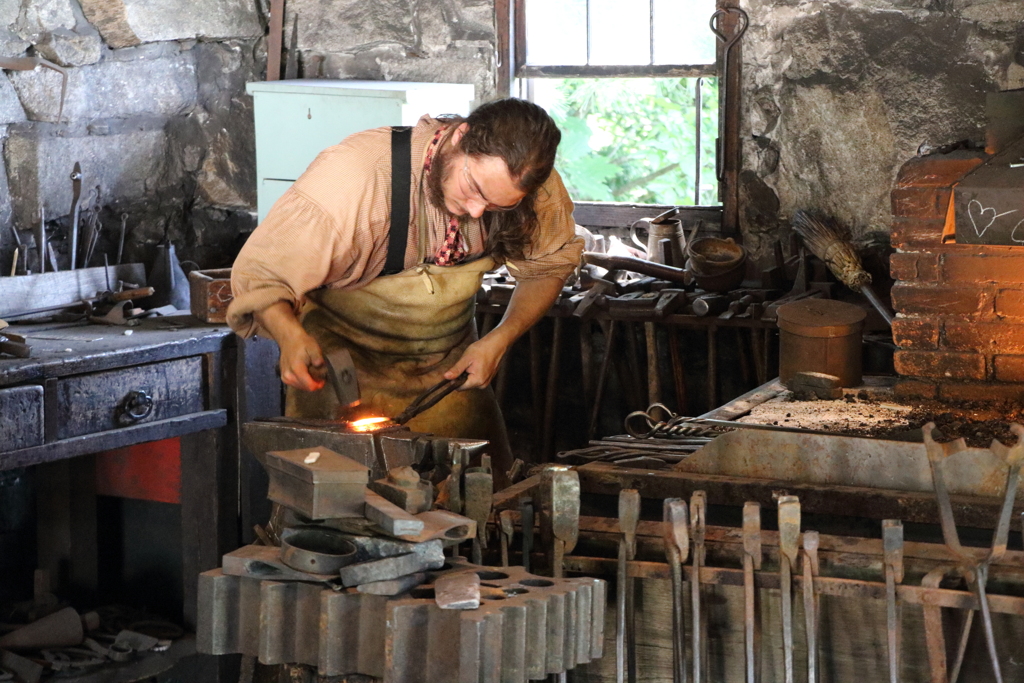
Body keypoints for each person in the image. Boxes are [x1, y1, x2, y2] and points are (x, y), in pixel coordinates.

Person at [226, 98, 583, 477]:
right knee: (335, 508)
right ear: (460, 137)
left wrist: (500, 338)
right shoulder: (354, 177)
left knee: (475, 498)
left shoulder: (532, 188)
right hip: (341, 374)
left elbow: (547, 267)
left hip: (448, 377)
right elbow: (265, 276)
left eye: (497, 205)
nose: (477, 211)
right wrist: (288, 334)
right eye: (474, 187)